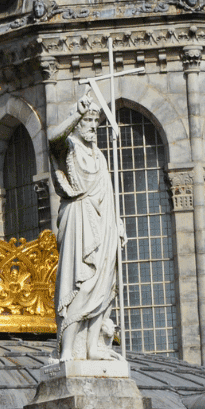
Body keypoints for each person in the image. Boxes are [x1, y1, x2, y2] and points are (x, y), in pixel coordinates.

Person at [47, 89, 125, 365]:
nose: (93, 127)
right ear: (77, 124)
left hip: (103, 223)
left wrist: (117, 223)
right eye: (87, 122)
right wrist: (76, 112)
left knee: (102, 284)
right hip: (79, 218)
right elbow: (52, 138)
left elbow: (108, 191)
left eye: (95, 122)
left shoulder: (100, 156)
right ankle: (68, 351)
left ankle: (92, 347)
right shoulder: (67, 148)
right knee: (78, 282)